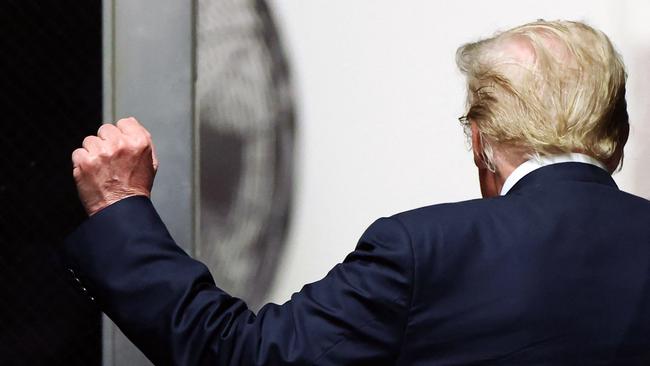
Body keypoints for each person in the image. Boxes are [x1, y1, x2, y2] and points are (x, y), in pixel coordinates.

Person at [64, 20, 650, 365]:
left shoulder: (423, 250)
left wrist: (121, 208)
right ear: (615, 140)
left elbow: (242, 355)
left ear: (482, 138)